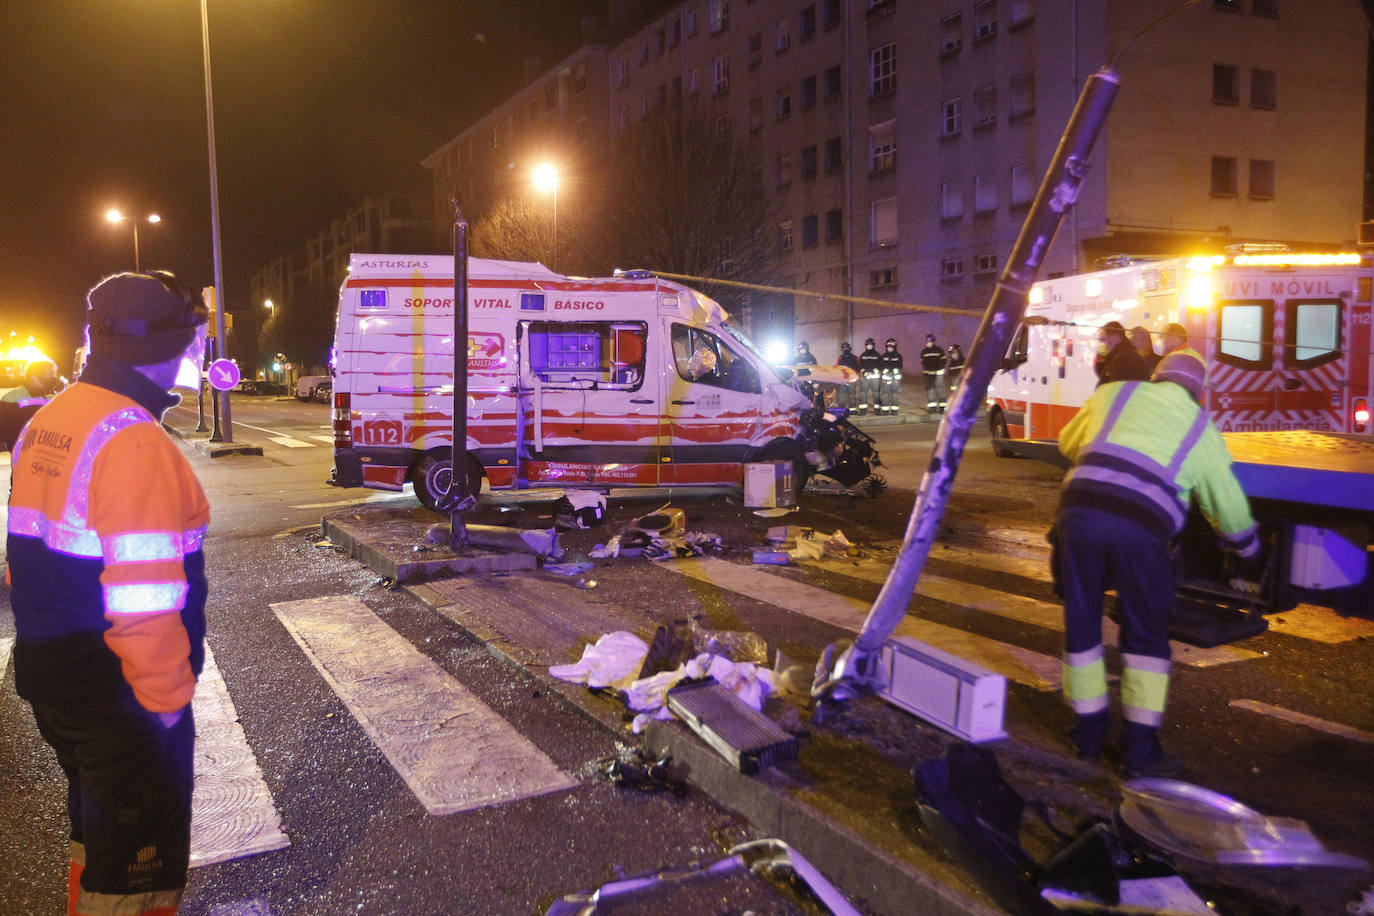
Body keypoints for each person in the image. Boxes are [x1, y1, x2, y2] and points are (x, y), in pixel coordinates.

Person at [7, 271, 211, 916]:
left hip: (54, 673)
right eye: (197, 336)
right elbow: (143, 595)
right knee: (137, 880)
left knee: (98, 838)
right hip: (120, 695)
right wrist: (166, 708)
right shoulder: (134, 441)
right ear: (175, 344)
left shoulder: (57, 417)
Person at [1055, 351, 1260, 778]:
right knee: (1146, 634)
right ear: (1198, 393)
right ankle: (1139, 751)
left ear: (1156, 376)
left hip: (1078, 516)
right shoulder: (1202, 429)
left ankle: (1087, 733)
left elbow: (1067, 443)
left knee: (1082, 621)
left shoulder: (1113, 394)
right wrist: (1248, 550)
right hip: (1140, 529)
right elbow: (1227, 506)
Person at [1093, 320, 1150, 386]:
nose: (1102, 344)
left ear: (1112, 337)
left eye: (1103, 339)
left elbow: (1115, 388)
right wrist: (1100, 364)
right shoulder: (1118, 356)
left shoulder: (1124, 359)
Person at [919, 333, 945, 413]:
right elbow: (923, 363)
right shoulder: (924, 352)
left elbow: (943, 361)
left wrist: (940, 369)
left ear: (933, 341)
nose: (928, 343)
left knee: (940, 390)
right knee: (930, 391)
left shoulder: (939, 350)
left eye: (930, 341)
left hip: (937, 374)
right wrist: (927, 371)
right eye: (927, 341)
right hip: (928, 375)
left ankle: (942, 408)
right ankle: (932, 408)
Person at [856, 338, 881, 416]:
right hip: (865, 377)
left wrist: (871, 372)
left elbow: (880, 366)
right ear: (865, 346)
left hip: (875, 378)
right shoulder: (863, 355)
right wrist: (865, 373)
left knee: (876, 394)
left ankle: (877, 410)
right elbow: (860, 366)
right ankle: (863, 411)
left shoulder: (877, 355)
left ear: (873, 345)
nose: (869, 346)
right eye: (868, 345)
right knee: (863, 394)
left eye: (870, 345)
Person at [880, 337, 905, 415]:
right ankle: (885, 410)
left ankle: (894, 410)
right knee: (885, 394)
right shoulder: (883, 356)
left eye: (891, 347)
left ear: (894, 347)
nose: (889, 349)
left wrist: (895, 370)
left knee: (895, 395)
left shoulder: (898, 356)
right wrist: (885, 370)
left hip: (895, 379)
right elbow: (881, 366)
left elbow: (900, 367)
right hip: (886, 379)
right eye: (888, 347)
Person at [836, 341, 860, 410]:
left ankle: (851, 409)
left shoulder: (855, 358)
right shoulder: (840, 358)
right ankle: (843, 409)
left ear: (849, 348)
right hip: (843, 379)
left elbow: (858, 368)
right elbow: (837, 368)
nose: (845, 349)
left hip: (850, 379)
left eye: (846, 348)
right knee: (843, 394)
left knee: (849, 394)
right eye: (844, 348)